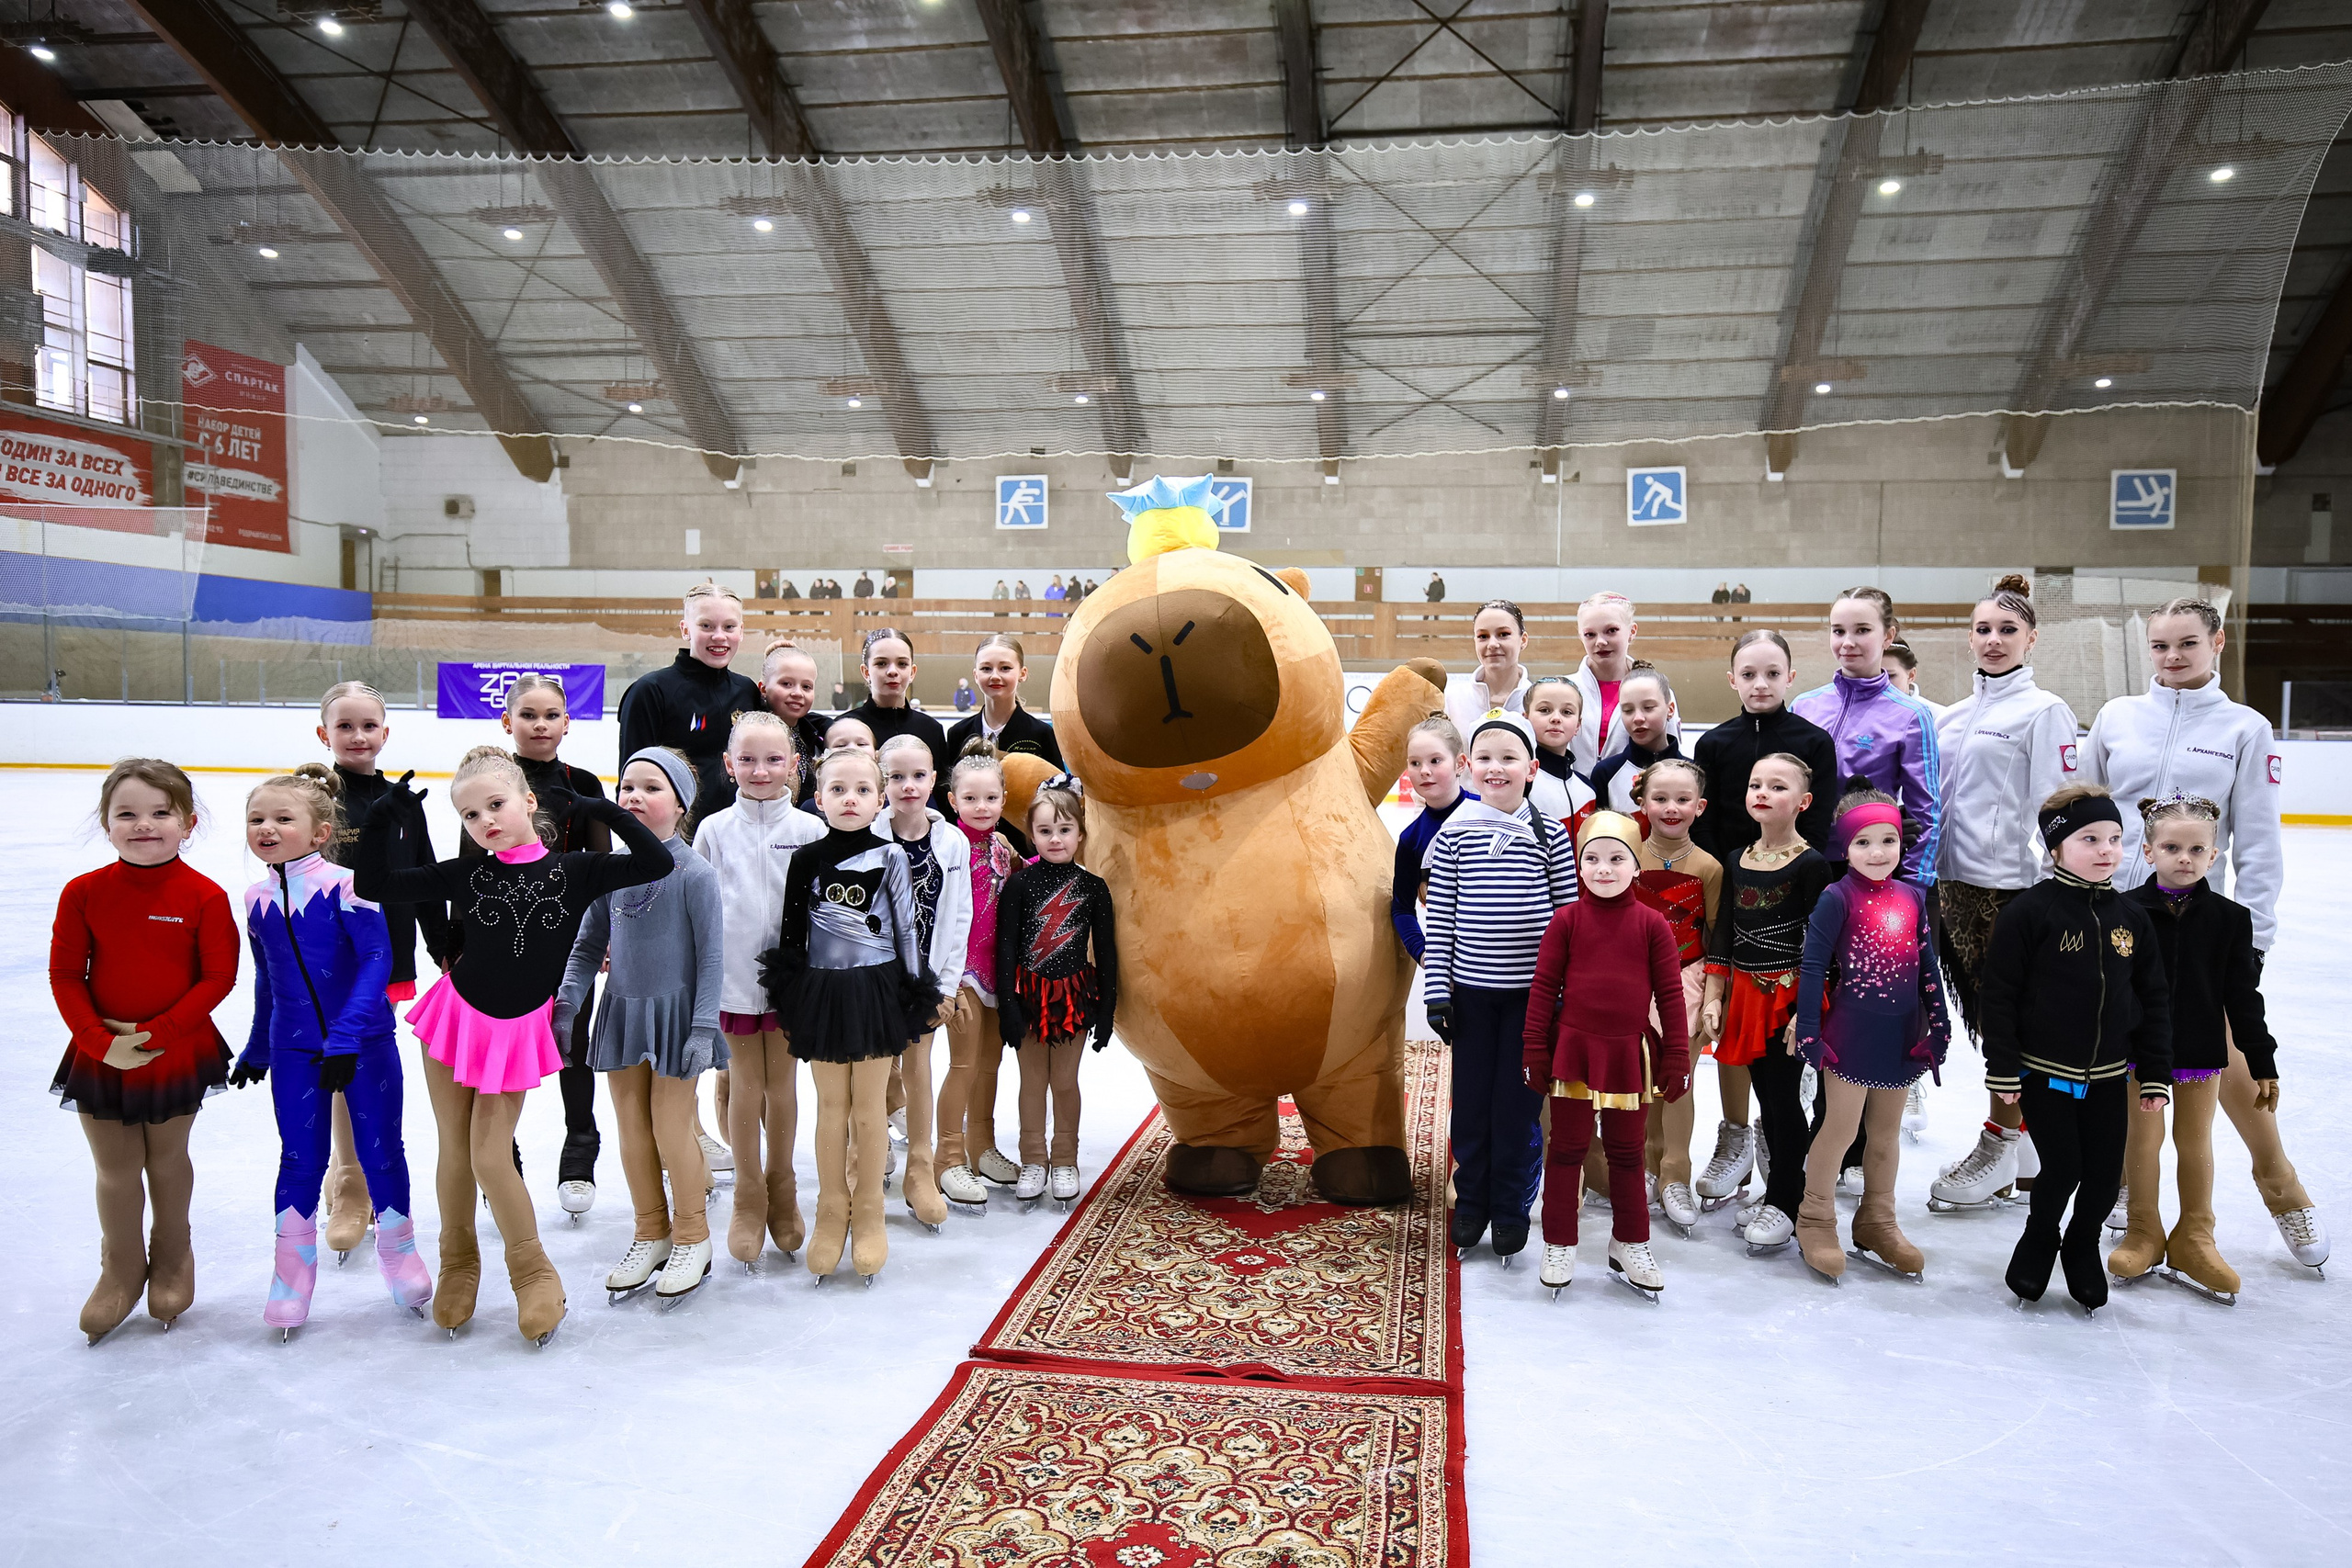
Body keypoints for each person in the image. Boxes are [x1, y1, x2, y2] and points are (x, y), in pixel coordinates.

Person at [356, 746, 672, 1343]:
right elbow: (373, 883)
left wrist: (604, 809)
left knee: (488, 1154)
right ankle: (458, 1263)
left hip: (514, 1032)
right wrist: (379, 821)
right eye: (471, 815)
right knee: (455, 1151)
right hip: (454, 1018)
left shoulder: (576, 870)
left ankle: (533, 1271)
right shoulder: (468, 873)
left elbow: (655, 861)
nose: (485, 821)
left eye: (495, 805)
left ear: (528, 801)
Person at [2084, 598, 2321, 1271]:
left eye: (2187, 643)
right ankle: (2129, 1190)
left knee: (2220, 1054)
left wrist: (2257, 937)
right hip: (2116, 918)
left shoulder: (2244, 727)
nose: (2172, 657)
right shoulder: (2117, 717)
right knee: (2119, 1052)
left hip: (2195, 927)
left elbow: (2260, 840)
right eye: (2160, 645)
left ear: (2216, 643)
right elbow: (2083, 813)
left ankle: (2279, 1181)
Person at [233, 766, 429, 1333]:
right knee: (299, 1159)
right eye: (256, 819)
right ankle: (290, 1278)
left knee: (380, 1152)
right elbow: (267, 976)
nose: (267, 828)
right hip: (293, 1049)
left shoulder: (348, 886)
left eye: (282, 818)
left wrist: (346, 1034)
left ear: (320, 832)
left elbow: (377, 961)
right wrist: (258, 1045)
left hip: (363, 1043)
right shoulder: (255, 898)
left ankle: (399, 1255)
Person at [51, 760, 238, 1343]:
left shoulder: (204, 896)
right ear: (106, 822)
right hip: (100, 1051)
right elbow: (65, 974)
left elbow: (218, 977)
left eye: (160, 813)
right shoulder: (83, 893)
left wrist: (156, 1035)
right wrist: (100, 1043)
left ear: (188, 823)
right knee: (114, 1167)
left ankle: (173, 1256)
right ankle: (121, 1269)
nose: (143, 825)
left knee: (166, 1158)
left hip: (174, 1050)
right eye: (126, 813)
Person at [1979, 785, 2172, 1311]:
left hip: (2109, 1076)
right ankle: (2041, 1236)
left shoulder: (2132, 917)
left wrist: (2155, 1071)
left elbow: (2154, 998)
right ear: (2056, 848)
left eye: (2114, 838)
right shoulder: (2030, 912)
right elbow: (1999, 996)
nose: (2106, 850)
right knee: (2063, 1168)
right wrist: (2004, 1068)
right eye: (2090, 839)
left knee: (2105, 1178)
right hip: (2042, 1073)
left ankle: (2082, 1244)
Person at [1929, 576, 2079, 1212]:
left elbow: (2058, 810)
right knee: (1988, 1024)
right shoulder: (1952, 716)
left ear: (2032, 638)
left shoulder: (2044, 712)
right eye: (1984, 629)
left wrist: (2055, 898)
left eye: (2008, 630)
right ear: (1970, 637)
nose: (1994, 640)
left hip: (2011, 895)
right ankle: (2024, 1149)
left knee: (2009, 1028)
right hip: (1951, 890)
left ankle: (2000, 1144)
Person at [557, 750, 726, 1306]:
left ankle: (693, 1235)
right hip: (624, 1013)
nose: (633, 796)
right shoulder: (611, 870)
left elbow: (712, 958)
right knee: (631, 1129)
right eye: (627, 786)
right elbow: (588, 946)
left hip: (677, 1017)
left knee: (671, 1128)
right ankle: (651, 1231)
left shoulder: (695, 873)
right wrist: (567, 1001)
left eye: (651, 788)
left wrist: (703, 1029)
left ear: (679, 805)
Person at [761, 745, 930, 1280]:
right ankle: (831, 1209)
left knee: (870, 1108)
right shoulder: (805, 859)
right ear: (818, 799)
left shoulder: (892, 857)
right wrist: (792, 994)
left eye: (862, 790)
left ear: (880, 800)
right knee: (831, 1106)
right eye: (838, 789)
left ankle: (870, 1212)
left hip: (876, 990)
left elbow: (906, 928)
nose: (850, 799)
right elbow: (792, 934)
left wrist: (914, 990)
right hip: (822, 992)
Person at [1419, 713, 1579, 1261]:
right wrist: (1437, 992)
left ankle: (1510, 1206)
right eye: (1485, 758)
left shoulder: (1550, 834)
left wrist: (1563, 994)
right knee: (1471, 1104)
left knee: (1516, 1105)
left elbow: (1567, 920)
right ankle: (1472, 1200)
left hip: (1531, 999)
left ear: (1531, 769)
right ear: (1467, 766)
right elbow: (1441, 920)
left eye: (1509, 758)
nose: (1496, 768)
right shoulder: (1452, 835)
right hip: (1470, 995)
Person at [1688, 630, 1836, 1207]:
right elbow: (1704, 826)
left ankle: (1783, 1155)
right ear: (1732, 679)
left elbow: (1818, 824)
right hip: (1733, 890)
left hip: (1791, 908)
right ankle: (1736, 1133)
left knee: (1781, 1068)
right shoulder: (1716, 743)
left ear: (1790, 677)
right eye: (1748, 674)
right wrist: (1730, 880)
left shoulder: (1812, 742)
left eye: (1772, 673)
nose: (1760, 684)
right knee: (1735, 1034)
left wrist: (1788, 874)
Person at [2110, 795, 2278, 1302]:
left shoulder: (2230, 918)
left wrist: (2262, 1059)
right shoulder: (2124, 912)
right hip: (2140, 1054)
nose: (2184, 858)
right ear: (2148, 851)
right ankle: (2143, 1229)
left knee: (2195, 1141)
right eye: (2171, 847)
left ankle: (2195, 1236)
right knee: (2142, 1141)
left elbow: (2243, 997)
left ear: (2213, 855)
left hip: (2201, 1052)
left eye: (2196, 849)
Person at [1522, 810, 1690, 1298]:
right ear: (1579, 865)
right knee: (1566, 1148)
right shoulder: (1566, 920)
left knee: (1627, 1153)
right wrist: (1534, 1047)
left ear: (1636, 867)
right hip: (1574, 1051)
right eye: (1592, 859)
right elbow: (1543, 988)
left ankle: (1630, 1241)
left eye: (1617, 859)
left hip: (1628, 1055)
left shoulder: (1652, 925)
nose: (1604, 869)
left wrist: (1677, 1056)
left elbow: (1670, 995)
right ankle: (1559, 1242)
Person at [314, 681, 452, 1258]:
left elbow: (424, 875)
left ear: (385, 733)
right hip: (327, 953)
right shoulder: (312, 797)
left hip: (386, 949)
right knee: (341, 1055)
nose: (357, 736)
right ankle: (349, 1178)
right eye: (345, 726)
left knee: (366, 1056)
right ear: (323, 734)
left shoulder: (403, 801)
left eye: (368, 726)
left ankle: (358, 1171)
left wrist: (443, 944)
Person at [1791, 783, 1951, 1281]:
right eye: (1863, 842)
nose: (1877, 852)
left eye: (1888, 840)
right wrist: (1810, 1032)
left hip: (1902, 1035)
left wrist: (1939, 1024)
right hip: (1851, 1035)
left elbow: (1927, 965)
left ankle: (1878, 1219)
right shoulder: (1836, 898)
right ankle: (1815, 1217)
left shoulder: (1912, 897)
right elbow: (1813, 968)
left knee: (1885, 1134)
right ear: (1845, 847)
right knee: (1840, 1129)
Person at [470, 674, 612, 1220]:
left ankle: (580, 1151)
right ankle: (502, 1159)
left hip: (569, 941)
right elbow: (469, 868)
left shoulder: (584, 783)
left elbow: (601, 869)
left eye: (551, 715)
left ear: (567, 723)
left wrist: (604, 935)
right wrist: (460, 943)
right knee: (503, 1055)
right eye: (528, 715)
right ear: (507, 722)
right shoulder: (486, 782)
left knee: (572, 1044)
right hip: (501, 942)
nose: (540, 725)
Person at [695, 714, 826, 1267]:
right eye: (747, 760)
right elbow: (701, 911)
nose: (760, 770)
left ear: (794, 764)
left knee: (784, 1086)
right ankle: (748, 1194)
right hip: (734, 983)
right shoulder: (713, 831)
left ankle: (782, 1183)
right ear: (729, 765)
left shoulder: (812, 831)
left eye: (774, 759)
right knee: (746, 1085)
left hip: (792, 986)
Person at [1701, 753, 1834, 1255]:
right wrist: (1716, 996)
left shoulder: (1812, 864)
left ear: (1803, 801)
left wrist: (1807, 1009)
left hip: (1786, 998)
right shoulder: (1738, 858)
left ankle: (1785, 1200)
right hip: (1745, 996)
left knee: (1782, 1100)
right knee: (1766, 1097)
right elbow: (1724, 932)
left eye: (1778, 787)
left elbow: (1821, 943)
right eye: (1756, 784)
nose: (1762, 793)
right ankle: (1781, 1190)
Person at [997, 777, 1118, 1206]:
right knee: (1032, 1083)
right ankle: (1033, 1158)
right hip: (1029, 997)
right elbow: (1006, 948)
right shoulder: (1019, 885)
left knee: (1065, 1081)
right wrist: (1007, 1007)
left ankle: (1066, 1159)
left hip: (1072, 999)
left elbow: (1107, 951)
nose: (1055, 839)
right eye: (1045, 830)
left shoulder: (1093, 888)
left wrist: (1107, 1010)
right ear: (1031, 835)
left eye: (1064, 830)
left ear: (1080, 834)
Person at [879, 734, 973, 1229]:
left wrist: (948, 986)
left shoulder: (951, 841)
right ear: (882, 783)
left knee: (918, 1070)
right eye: (896, 777)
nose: (908, 786)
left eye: (918, 776)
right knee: (873, 1070)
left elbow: (959, 917)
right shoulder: (869, 833)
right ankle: (869, 1154)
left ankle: (919, 1166)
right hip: (875, 979)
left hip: (926, 981)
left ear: (934, 779)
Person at [1794, 588, 1941, 884]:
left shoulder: (1911, 715)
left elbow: (1926, 814)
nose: (1847, 642)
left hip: (1870, 868)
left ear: (1888, 636)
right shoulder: (1804, 706)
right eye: (1838, 631)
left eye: (1862, 630)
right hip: (1800, 862)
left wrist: (1915, 885)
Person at [1631, 758, 1719, 1235]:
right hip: (1632, 979)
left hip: (1687, 980)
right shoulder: (1626, 857)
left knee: (1678, 1076)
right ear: (1642, 802)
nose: (1671, 808)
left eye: (1683, 800)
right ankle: (1645, 1164)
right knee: (1640, 1075)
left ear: (1700, 807)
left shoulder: (1708, 867)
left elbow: (1716, 937)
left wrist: (1715, 995)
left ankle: (1676, 1172)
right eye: (1660, 798)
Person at [937, 741, 1025, 1205]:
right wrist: (945, 978)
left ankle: (982, 1146)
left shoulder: (1001, 847)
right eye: (970, 798)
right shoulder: (947, 846)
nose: (982, 807)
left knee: (991, 1063)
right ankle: (948, 1157)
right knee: (963, 1064)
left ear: (1004, 800)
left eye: (990, 798)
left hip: (997, 970)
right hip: (963, 972)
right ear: (953, 800)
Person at [617, 582, 764, 824]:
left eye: (729, 627)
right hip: (677, 836)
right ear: (685, 630)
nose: (719, 636)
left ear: (741, 631)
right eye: (706, 626)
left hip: (740, 832)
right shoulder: (650, 691)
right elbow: (630, 784)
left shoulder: (747, 691)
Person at [1391, 717, 1476, 964]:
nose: (1424, 771)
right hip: (1450, 966)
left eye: (1435, 761)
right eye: (1415, 763)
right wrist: (1423, 952)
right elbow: (1402, 908)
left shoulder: (1489, 814)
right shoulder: (1411, 838)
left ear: (1460, 764)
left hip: (1505, 961)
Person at [1570, 592, 1679, 774]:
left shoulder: (1657, 692)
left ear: (1632, 631)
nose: (1601, 642)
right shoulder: (1566, 690)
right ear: (1581, 636)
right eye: (1590, 634)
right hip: (1573, 791)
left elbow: (1672, 758)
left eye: (1611, 630)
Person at [841, 627, 954, 795]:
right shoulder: (846, 727)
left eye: (902, 664)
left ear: (912, 672)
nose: (892, 671)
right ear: (866, 671)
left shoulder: (931, 729)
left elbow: (942, 793)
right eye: (881, 663)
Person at [945, 634, 1063, 769]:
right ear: (976, 675)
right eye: (986, 669)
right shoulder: (958, 734)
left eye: (1005, 668)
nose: (995, 676)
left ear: (1022, 673)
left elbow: (1058, 781)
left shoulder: (1042, 734)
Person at [1589, 667, 1684, 813]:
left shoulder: (1692, 772)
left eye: (1648, 707)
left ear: (1670, 709)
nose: (1638, 718)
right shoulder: (1606, 773)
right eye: (1628, 710)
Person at [1442, 599, 1534, 737]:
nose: (1492, 644)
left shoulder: (1540, 702)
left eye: (1503, 634)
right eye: (1483, 636)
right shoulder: (1452, 700)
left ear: (1523, 640)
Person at [758, 639, 829, 805]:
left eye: (806, 687)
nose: (798, 693)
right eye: (786, 684)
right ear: (763, 688)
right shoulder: (752, 733)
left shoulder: (814, 734)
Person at [1523, 675, 1597, 835]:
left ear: (1578, 725)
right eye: (1545, 710)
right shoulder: (1520, 782)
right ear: (1525, 718)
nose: (1556, 718)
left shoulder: (1588, 789)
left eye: (1567, 712)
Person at [1883, 641, 1944, 720]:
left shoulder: (1939, 717)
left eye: (1890, 676)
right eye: (1872, 677)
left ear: (1911, 675)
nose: (1880, 682)